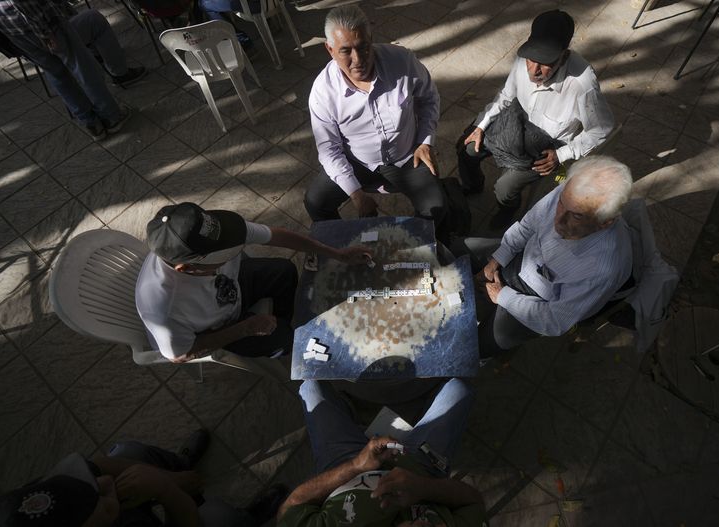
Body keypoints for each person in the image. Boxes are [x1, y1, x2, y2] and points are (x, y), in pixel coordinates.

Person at [136, 202, 370, 363]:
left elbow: (275, 236)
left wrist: (335, 253)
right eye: (220, 256)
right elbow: (180, 354)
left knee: (285, 271)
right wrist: (245, 328)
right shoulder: (163, 308)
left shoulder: (211, 233)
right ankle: (283, 345)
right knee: (282, 338)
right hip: (216, 328)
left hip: (233, 287)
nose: (231, 248)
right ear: (186, 268)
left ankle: (286, 321)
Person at [452, 156, 634, 358]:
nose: (559, 220)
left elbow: (555, 320)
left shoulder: (603, 269)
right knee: (457, 249)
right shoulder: (572, 194)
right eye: (561, 204)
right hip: (525, 256)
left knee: (481, 343)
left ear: (606, 222)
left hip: (541, 299)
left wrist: (502, 296)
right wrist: (497, 259)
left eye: (576, 216)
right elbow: (528, 225)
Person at [458, 10, 615, 227]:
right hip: (515, 120)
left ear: (564, 56)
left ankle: (508, 208)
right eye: (531, 60)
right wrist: (481, 125)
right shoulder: (524, 57)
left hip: (544, 146)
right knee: (466, 147)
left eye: (545, 62)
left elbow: (601, 129)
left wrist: (561, 155)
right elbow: (506, 95)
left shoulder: (583, 84)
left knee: (505, 188)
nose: (534, 71)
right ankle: (473, 185)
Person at [304, 5, 445, 231]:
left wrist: (424, 142)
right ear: (329, 49)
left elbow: (429, 98)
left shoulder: (403, 61)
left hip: (405, 155)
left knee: (436, 207)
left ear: (371, 39)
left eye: (363, 47)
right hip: (356, 162)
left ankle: (418, 249)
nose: (358, 59)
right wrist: (356, 194)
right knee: (315, 203)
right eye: (345, 51)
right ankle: (341, 249)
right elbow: (329, 149)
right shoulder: (323, 92)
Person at [276, 379, 487, 525]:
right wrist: (424, 487)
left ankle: (352, 409)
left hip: (345, 470)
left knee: (310, 388)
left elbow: (291, 507)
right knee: (459, 389)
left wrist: (356, 465)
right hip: (421, 468)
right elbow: (474, 502)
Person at [0, 430, 287, 527]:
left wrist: (175, 478)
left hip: (134, 505)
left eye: (85, 484)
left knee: (128, 452)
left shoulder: (25, 509)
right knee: (217, 516)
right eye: (100, 501)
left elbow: (98, 466)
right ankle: (246, 519)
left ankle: (179, 463)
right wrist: (166, 490)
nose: (103, 484)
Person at [0, 2, 146, 139]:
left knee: (57, 74)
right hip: (44, 25)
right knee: (83, 68)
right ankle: (112, 117)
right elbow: (24, 6)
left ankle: (91, 123)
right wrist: (46, 32)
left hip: (12, 29)